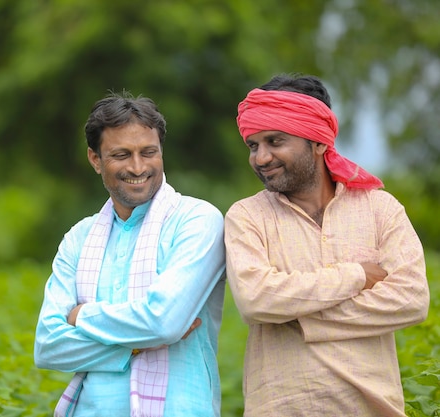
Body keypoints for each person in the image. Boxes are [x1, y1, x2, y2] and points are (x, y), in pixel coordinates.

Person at [224, 74, 430, 416]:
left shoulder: (381, 209)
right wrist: (355, 276)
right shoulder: (247, 216)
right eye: (253, 145)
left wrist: (301, 319)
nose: (261, 158)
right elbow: (256, 300)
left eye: (275, 141)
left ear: (319, 142)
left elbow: (411, 299)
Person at [34, 91, 226, 417]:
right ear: (95, 159)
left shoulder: (197, 221)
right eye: (122, 155)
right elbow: (49, 346)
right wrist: (137, 345)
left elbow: (163, 322)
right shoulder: (79, 238)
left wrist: (82, 316)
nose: (138, 167)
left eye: (148, 152)